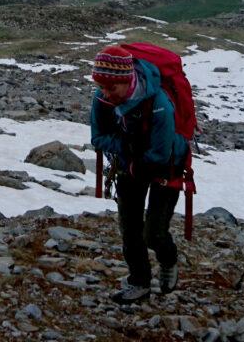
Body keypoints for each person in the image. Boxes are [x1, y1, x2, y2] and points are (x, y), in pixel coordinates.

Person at [89, 45, 188, 304]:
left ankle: (168, 259)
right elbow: (97, 138)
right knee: (130, 229)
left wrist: (131, 158)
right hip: (129, 164)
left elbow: (160, 155)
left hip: (167, 167)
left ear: (127, 80)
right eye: (101, 87)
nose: (106, 94)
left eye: (112, 88)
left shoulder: (159, 105)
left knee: (153, 233)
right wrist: (125, 149)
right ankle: (139, 281)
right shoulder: (102, 98)